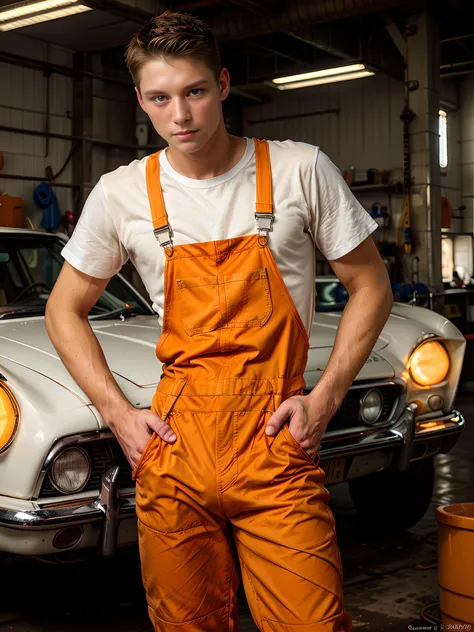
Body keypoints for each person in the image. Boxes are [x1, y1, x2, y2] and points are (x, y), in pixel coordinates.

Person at [45, 10, 393, 632]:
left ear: (224, 85)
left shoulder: (298, 169)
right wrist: (120, 417)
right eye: (160, 98)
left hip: (275, 442)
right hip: (175, 449)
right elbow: (62, 308)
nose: (180, 115)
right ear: (141, 101)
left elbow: (370, 284)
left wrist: (325, 399)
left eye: (194, 91)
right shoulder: (121, 192)